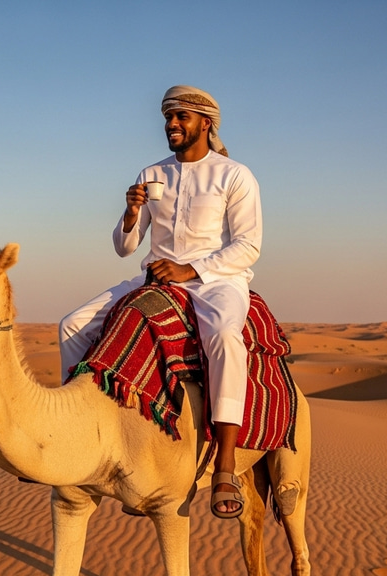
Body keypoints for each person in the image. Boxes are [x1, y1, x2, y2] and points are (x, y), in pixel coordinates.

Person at [59, 85, 262, 518]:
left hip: (216, 282)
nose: (171, 125)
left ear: (205, 123)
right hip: (154, 276)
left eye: (181, 118)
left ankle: (225, 462)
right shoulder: (152, 173)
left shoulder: (234, 175)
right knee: (72, 324)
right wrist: (130, 215)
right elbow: (124, 246)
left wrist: (191, 271)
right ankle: (71, 433)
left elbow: (248, 246)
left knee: (226, 337)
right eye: (168, 118)